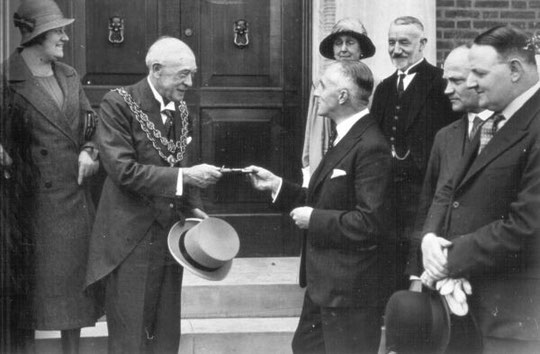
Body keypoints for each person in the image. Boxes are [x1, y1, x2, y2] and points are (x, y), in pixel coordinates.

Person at [85, 37, 222, 354]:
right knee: (130, 337)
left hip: (170, 237)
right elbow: (122, 170)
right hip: (130, 240)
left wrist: (194, 209)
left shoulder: (181, 110)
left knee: (165, 335)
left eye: (192, 74)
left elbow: (180, 162)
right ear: (157, 70)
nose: (189, 82)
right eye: (182, 74)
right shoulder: (118, 103)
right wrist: (184, 177)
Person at [247, 60, 393, 353]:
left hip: (350, 291)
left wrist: (314, 220)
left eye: (322, 86)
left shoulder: (371, 145)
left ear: (342, 97)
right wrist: (278, 186)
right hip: (325, 286)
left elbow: (371, 222)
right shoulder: (345, 137)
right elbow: (325, 198)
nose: (315, 94)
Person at [421, 25, 540, 353]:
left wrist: (448, 259)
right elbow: (453, 191)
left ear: (515, 70)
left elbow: (528, 225)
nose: (470, 83)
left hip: (516, 320)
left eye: (479, 73)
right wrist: (430, 239)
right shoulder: (493, 123)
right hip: (472, 311)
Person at [0, 0, 102, 353]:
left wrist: (91, 151)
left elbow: (93, 124)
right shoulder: (7, 77)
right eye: (58, 31)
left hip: (74, 200)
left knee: (73, 293)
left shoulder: (69, 75)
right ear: (37, 34)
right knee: (29, 292)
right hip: (30, 206)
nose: (65, 37)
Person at [403, 45, 492, 353]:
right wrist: (417, 272)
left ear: (479, 79)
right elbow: (430, 203)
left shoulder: (510, 133)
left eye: (455, 81)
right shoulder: (445, 137)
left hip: (492, 281)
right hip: (442, 281)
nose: (446, 90)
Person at [371, 16, 459, 290]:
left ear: (422, 44)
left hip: (425, 187)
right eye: (391, 42)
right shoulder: (384, 87)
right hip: (390, 189)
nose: (396, 49)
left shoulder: (440, 83)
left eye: (404, 42)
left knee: (417, 250)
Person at [301, 17, 375, 186]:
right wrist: (307, 166)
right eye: (338, 43)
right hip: (325, 158)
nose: (343, 49)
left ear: (361, 49)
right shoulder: (320, 83)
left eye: (350, 43)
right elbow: (312, 130)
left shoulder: (373, 84)